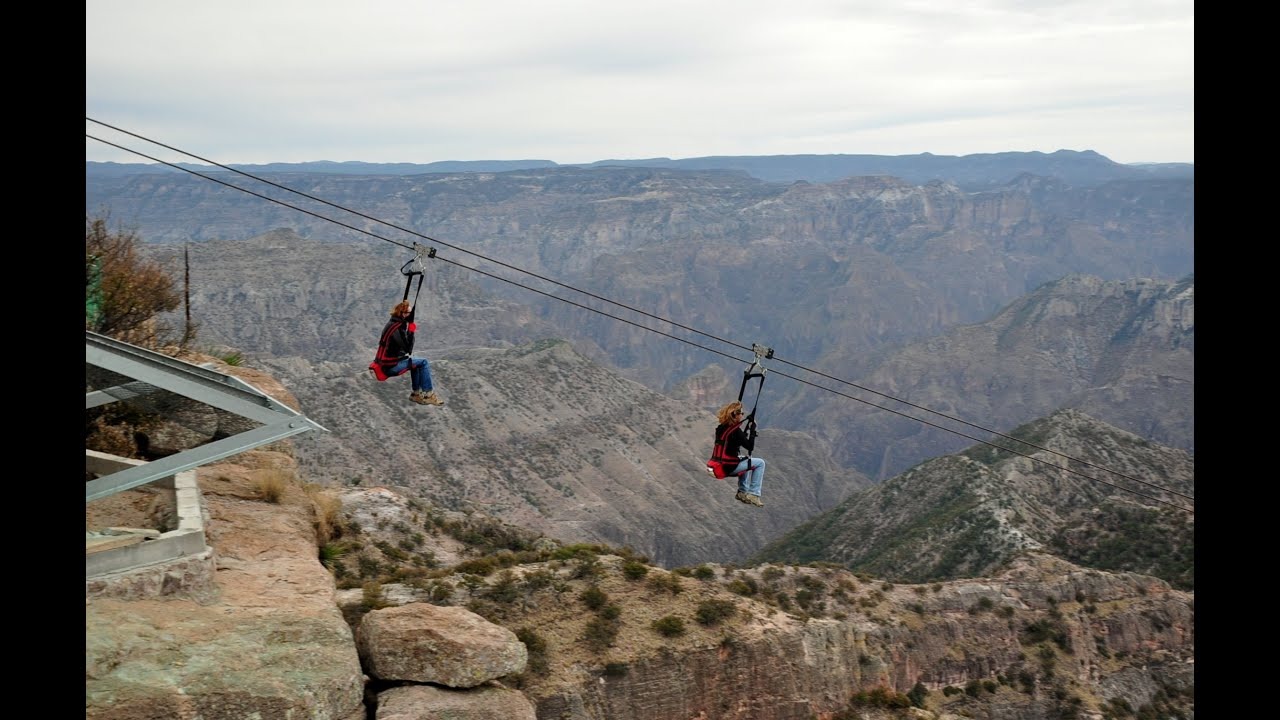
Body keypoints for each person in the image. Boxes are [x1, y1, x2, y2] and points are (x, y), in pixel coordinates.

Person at [374, 300, 444, 406]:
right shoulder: (397, 329)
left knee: (415, 364)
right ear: (403, 314)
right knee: (424, 362)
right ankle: (429, 395)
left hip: (385, 364)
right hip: (390, 367)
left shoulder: (392, 323)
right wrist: (411, 332)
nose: (410, 316)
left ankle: (416, 394)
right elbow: (408, 349)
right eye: (408, 313)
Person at [711, 401, 766, 507]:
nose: (742, 415)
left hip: (718, 464)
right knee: (760, 463)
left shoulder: (721, 427)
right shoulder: (735, 431)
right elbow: (750, 446)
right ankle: (754, 494)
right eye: (742, 414)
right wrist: (753, 430)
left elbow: (733, 441)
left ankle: (742, 492)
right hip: (728, 467)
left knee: (745, 459)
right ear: (736, 415)